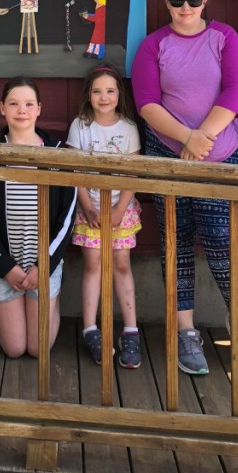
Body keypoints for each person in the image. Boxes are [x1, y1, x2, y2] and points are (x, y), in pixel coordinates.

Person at [131, 0, 238, 375]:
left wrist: (202, 137)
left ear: (205, 0)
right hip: (168, 150)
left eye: (193, 0)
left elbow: (236, 89)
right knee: (176, 238)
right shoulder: (153, 45)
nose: (184, 7)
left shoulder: (225, 38)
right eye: (176, 0)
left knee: (223, 241)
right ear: (166, 1)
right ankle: (185, 330)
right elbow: (147, 102)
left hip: (222, 151)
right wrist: (185, 138)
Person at [0, 77, 77, 357]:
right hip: (5, 263)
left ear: (39, 109)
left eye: (28, 104)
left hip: (43, 261)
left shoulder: (57, 155)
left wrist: (44, 265)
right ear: (2, 108)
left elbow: (67, 216)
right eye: (13, 103)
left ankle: (51, 296)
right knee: (13, 348)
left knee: (38, 349)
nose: (21, 110)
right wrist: (4, 265)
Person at [67, 65, 142, 369]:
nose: (104, 96)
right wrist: (86, 206)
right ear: (88, 94)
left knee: (122, 263)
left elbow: (133, 171)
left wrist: (120, 209)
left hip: (119, 209)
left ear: (119, 94)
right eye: (97, 91)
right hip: (91, 209)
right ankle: (90, 329)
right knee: (93, 263)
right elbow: (74, 169)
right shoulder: (81, 126)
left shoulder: (127, 128)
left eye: (110, 90)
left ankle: (131, 330)